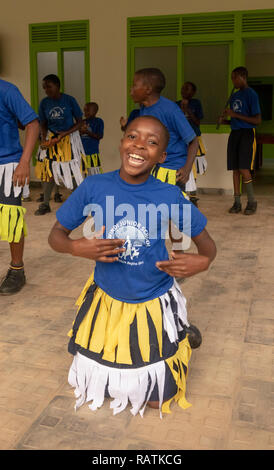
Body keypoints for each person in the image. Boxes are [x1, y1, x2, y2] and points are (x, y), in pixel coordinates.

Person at [48, 115, 216, 417]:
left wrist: (203, 262)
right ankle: (179, 334)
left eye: (152, 142)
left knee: (156, 401)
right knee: (108, 388)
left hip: (151, 298)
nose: (139, 146)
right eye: (133, 137)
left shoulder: (167, 195)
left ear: (161, 157)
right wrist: (76, 247)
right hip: (108, 299)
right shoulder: (94, 186)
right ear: (122, 141)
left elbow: (208, 247)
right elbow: (55, 236)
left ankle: (181, 337)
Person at [130, 68, 198, 195]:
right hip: (154, 168)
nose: (131, 90)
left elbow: (193, 141)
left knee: (169, 211)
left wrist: (187, 169)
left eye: (134, 85)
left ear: (148, 89)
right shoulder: (144, 109)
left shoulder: (170, 109)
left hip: (172, 171)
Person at [0, 79, 39, 294]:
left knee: (11, 218)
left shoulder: (7, 90)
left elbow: (32, 124)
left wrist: (24, 162)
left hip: (7, 165)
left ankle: (17, 269)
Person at [35, 74, 85, 215]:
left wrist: (64, 134)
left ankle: (78, 204)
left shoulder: (69, 100)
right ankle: (45, 203)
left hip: (69, 139)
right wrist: (44, 139)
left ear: (58, 86)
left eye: (49, 86)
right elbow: (43, 123)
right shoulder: (44, 103)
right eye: (44, 87)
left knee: (72, 170)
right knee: (49, 171)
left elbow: (80, 122)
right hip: (52, 140)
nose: (46, 90)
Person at [219, 66, 261, 215]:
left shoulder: (251, 94)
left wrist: (235, 115)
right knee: (235, 169)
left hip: (247, 134)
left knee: (244, 168)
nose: (233, 81)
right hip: (235, 134)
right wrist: (225, 121)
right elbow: (235, 121)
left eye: (234, 78)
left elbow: (257, 120)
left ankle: (251, 201)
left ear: (242, 77)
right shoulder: (234, 96)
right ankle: (237, 202)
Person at [176, 82, 207, 207]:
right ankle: (182, 193)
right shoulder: (176, 104)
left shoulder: (196, 103)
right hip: (181, 139)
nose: (184, 91)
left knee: (193, 167)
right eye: (183, 88)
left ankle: (193, 196)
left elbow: (198, 122)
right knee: (181, 165)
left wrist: (187, 109)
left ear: (193, 92)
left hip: (193, 139)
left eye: (187, 89)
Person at [80, 102, 104, 175]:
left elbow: (99, 136)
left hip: (92, 153)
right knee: (83, 174)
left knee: (94, 174)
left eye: (87, 110)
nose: (85, 112)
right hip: (82, 154)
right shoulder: (82, 122)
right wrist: (81, 131)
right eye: (84, 110)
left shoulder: (98, 121)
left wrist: (87, 132)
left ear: (95, 111)